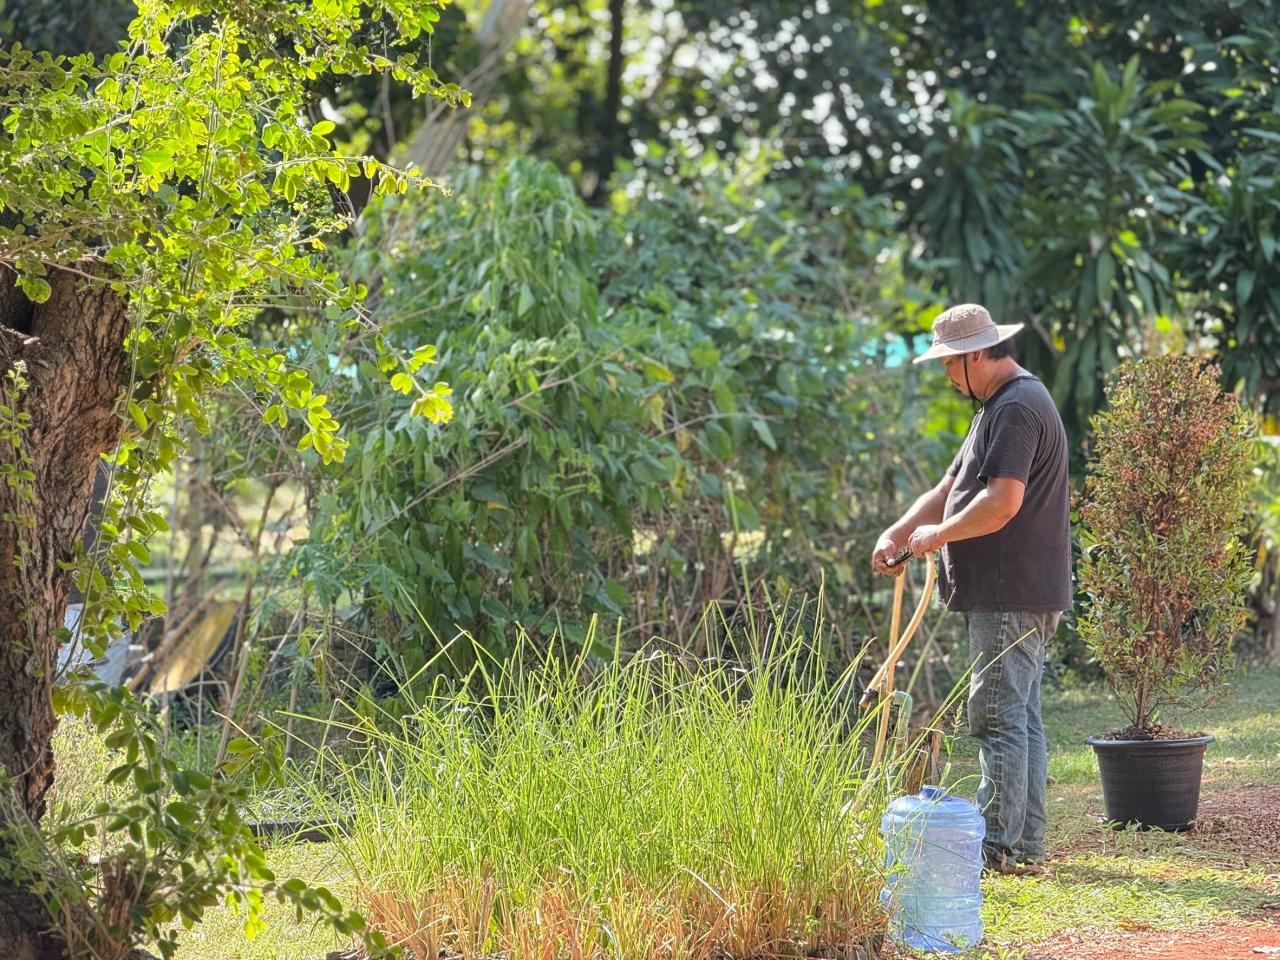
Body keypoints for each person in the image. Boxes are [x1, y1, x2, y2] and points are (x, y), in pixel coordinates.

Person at [872, 303, 1071, 876]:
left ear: (978, 354)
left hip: (1012, 592)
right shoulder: (998, 407)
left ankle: (1001, 849)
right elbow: (951, 486)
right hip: (1014, 590)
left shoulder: (1015, 408)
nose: (946, 378)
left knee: (996, 717)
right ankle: (1021, 845)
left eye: (950, 365)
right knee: (1019, 715)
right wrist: (901, 531)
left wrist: (935, 536)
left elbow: (1001, 503)